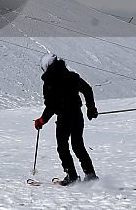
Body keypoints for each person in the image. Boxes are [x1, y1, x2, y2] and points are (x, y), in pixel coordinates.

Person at [33, 53, 98, 185]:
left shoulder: (49, 83)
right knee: (78, 146)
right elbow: (87, 89)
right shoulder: (71, 76)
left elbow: (51, 106)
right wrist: (91, 108)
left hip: (64, 118)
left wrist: (42, 120)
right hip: (77, 115)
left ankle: (72, 176)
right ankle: (90, 175)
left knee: (63, 147)